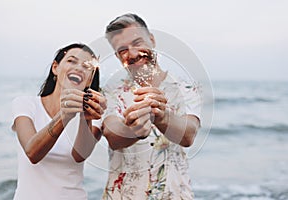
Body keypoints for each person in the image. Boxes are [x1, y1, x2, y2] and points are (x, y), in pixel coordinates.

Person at [101, 13, 202, 199]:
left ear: (152, 40)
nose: (132, 53)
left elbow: (188, 134)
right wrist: (135, 130)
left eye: (137, 42)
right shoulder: (110, 91)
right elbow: (113, 137)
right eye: (123, 50)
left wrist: (161, 117)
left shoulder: (185, 88)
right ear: (117, 56)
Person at [11, 43, 106, 200]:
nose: (79, 68)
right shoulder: (25, 104)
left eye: (86, 66)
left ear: (89, 80)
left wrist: (84, 117)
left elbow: (79, 156)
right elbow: (32, 153)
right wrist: (64, 115)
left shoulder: (93, 115)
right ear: (55, 67)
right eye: (71, 61)